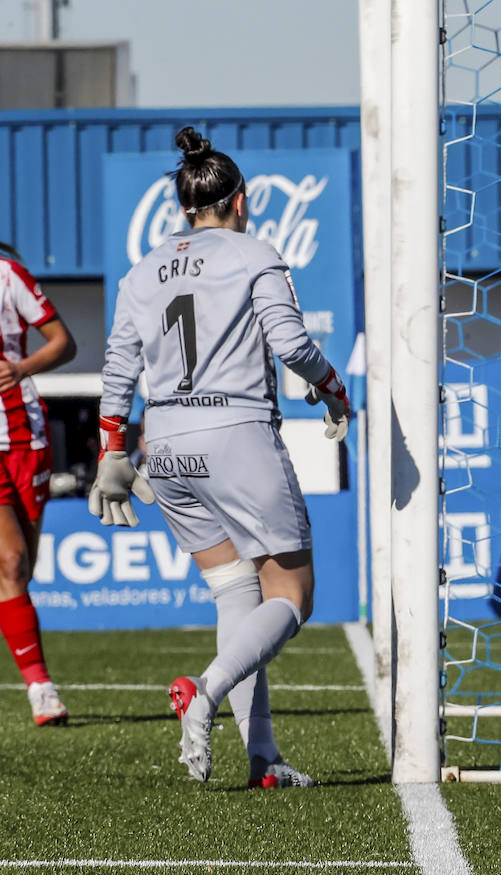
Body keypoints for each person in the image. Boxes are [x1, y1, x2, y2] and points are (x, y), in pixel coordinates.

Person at [91, 126, 350, 788]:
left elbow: (119, 365)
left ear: (184, 210)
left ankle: (262, 759)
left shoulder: (142, 269)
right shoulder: (254, 251)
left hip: (166, 444)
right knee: (292, 594)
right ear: (242, 200)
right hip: (234, 433)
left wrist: (110, 452)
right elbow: (291, 344)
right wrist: (331, 387)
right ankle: (203, 692)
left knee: (235, 589)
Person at [0, 242, 76, 726]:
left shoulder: (9, 275)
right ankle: (41, 690)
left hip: (25, 437)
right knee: (9, 561)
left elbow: (64, 342)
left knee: (22, 568)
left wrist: (21, 368)